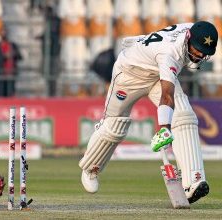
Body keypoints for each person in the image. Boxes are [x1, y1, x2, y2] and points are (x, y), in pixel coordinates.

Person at [79, 21, 218, 204]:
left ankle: (193, 181)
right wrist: (164, 129)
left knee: (184, 116)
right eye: (197, 50)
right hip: (129, 74)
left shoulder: (195, 30)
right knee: (114, 126)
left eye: (204, 53)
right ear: (188, 38)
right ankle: (91, 168)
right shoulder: (170, 53)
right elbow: (166, 96)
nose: (200, 55)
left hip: (156, 74)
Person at [0, 27, 22, 97]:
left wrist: (13, 54)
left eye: (5, 32)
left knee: (10, 94)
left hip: (10, 73)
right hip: (0, 73)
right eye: (2, 32)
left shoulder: (12, 45)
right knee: (0, 93)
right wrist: (4, 56)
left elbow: (20, 56)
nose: (3, 34)